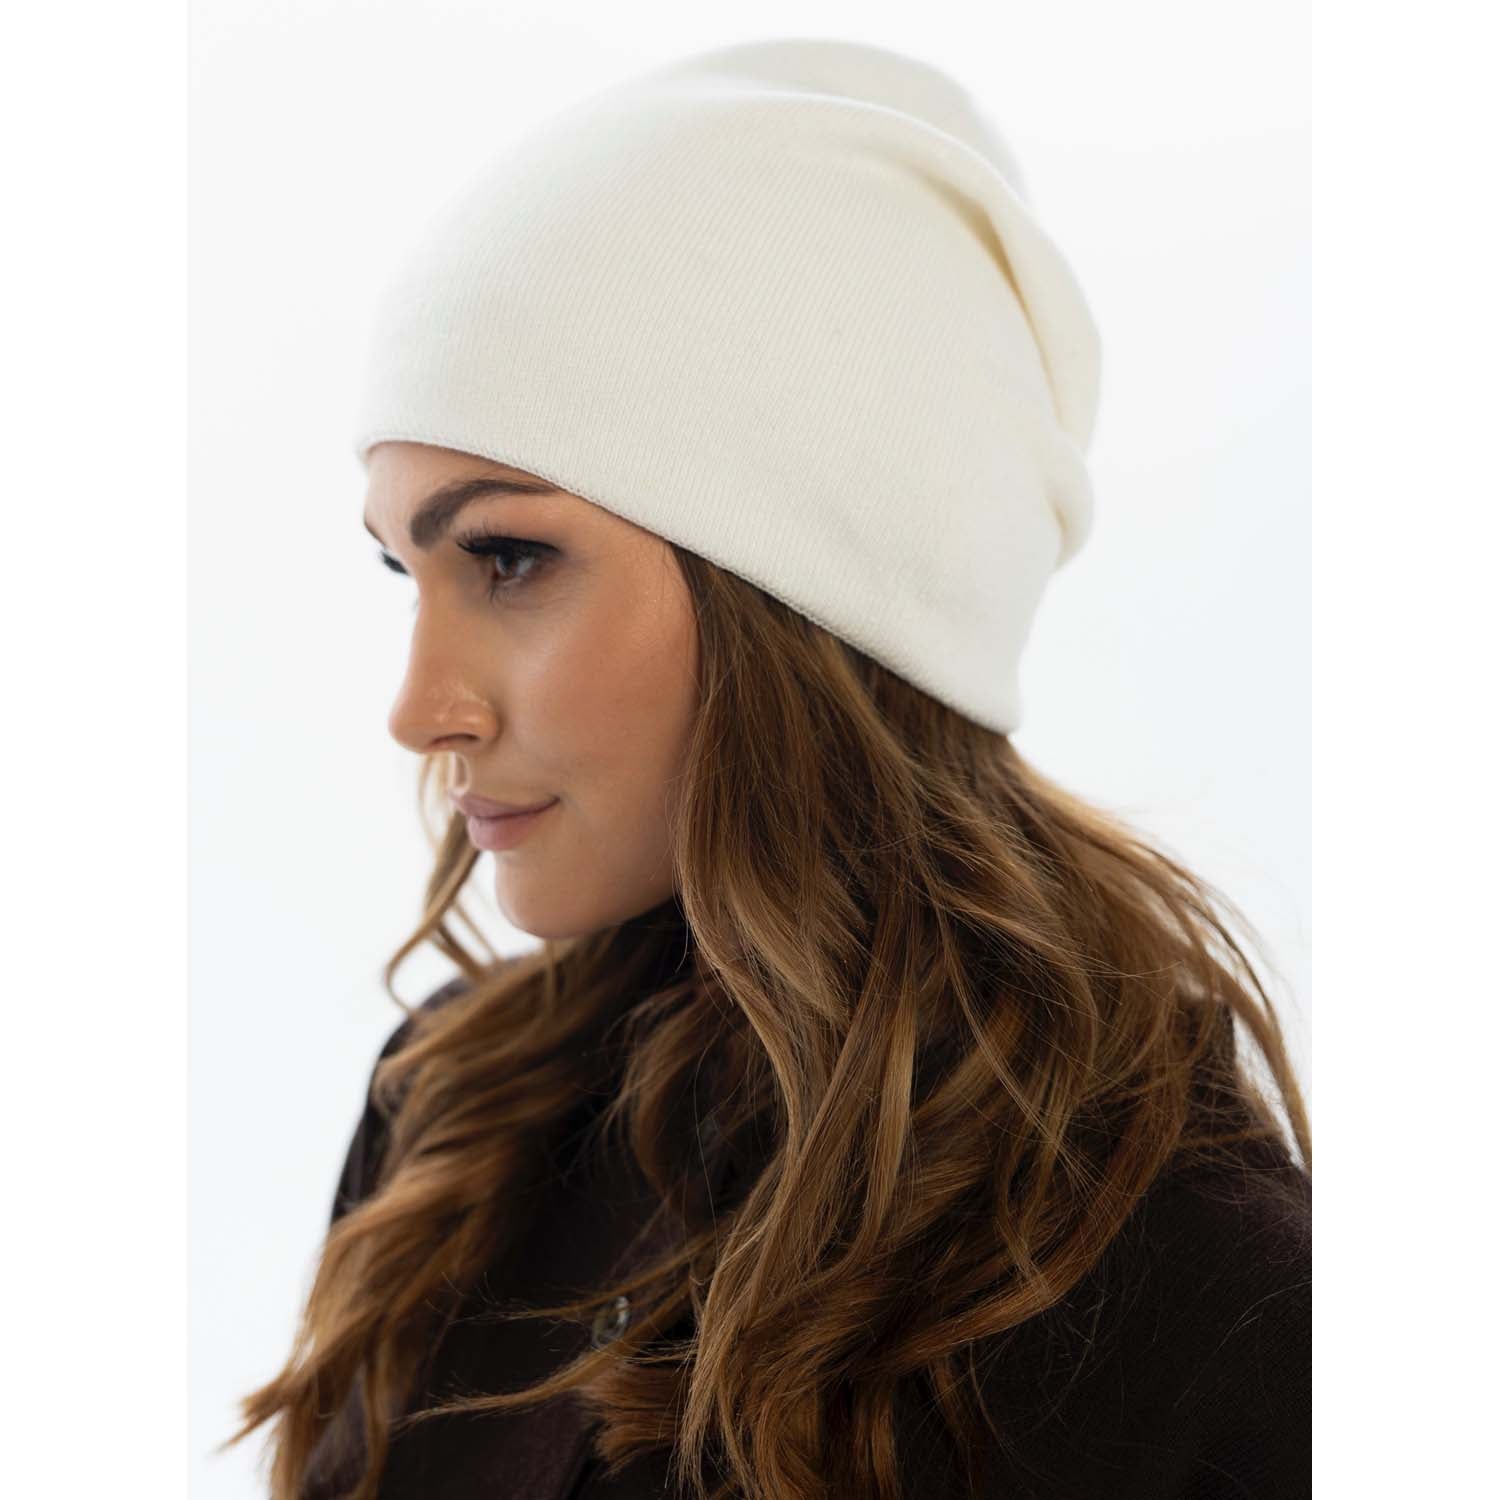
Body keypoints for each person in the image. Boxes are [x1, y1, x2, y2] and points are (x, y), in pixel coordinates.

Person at [221, 36, 1311, 1500]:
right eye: (400, 572)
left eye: (509, 557)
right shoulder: (459, 1114)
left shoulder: (1184, 1277)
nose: (420, 709)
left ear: (803, 600)